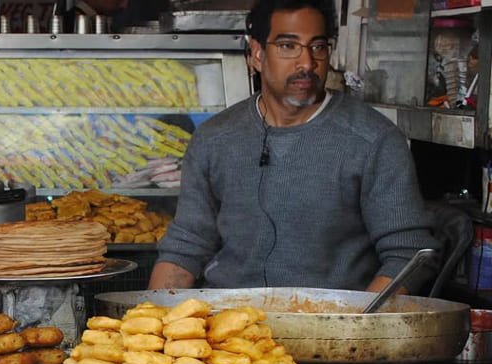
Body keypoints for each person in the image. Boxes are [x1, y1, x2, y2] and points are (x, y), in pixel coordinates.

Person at [148, 0, 440, 293]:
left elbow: (409, 256)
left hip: (329, 326)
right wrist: (149, 323)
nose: (307, 63)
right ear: (257, 55)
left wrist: (355, 328)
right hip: (229, 324)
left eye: (318, 47)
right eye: (288, 46)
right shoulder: (214, 138)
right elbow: (186, 247)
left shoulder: (373, 140)